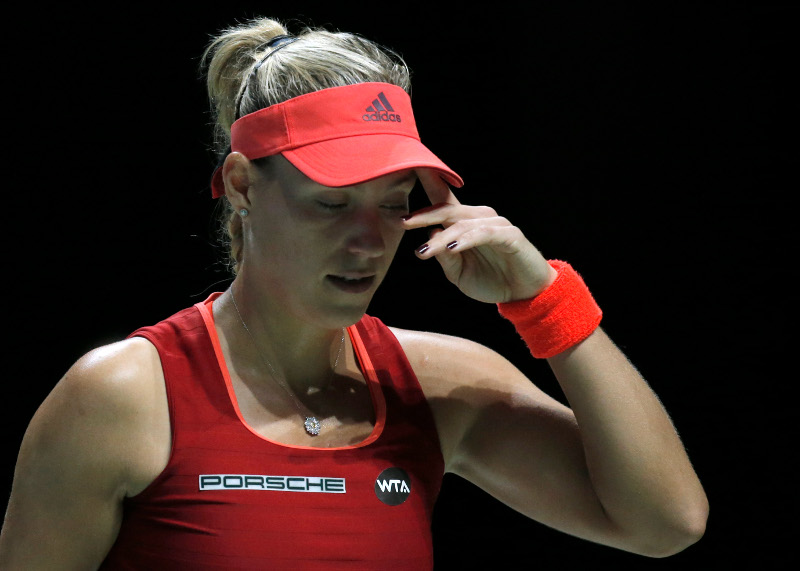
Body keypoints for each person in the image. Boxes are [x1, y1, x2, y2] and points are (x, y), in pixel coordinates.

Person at [0, 16, 708, 569]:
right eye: (332, 204)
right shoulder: (122, 395)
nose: (370, 241)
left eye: (394, 203)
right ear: (243, 185)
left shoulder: (436, 384)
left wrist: (543, 299)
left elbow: (666, 523)